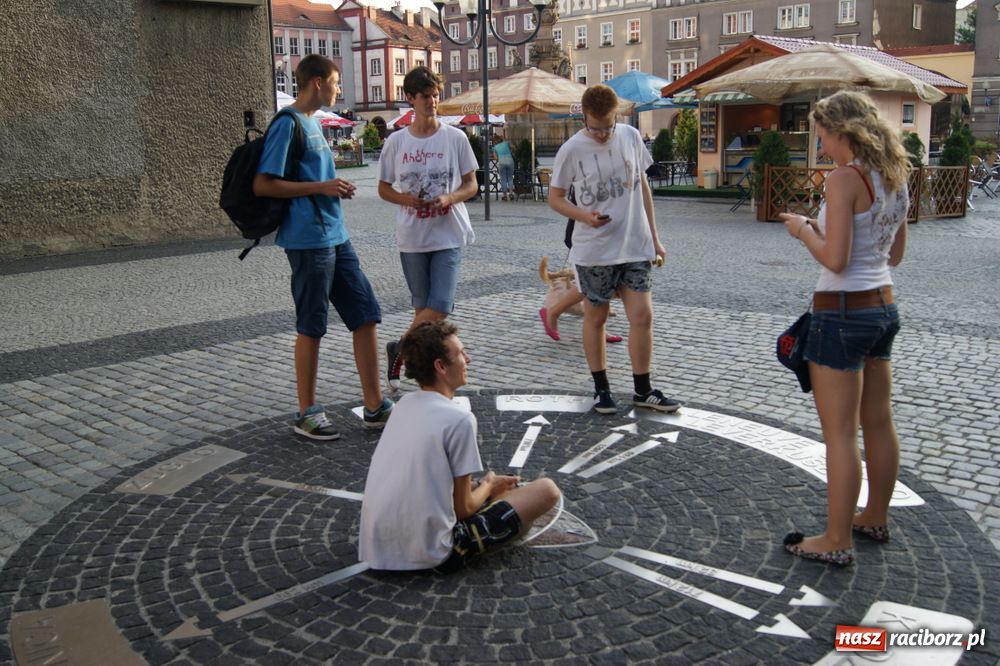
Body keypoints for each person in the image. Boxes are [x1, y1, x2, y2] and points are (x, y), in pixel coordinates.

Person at [778, 90, 910, 566]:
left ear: (842, 132)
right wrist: (828, 228)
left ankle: (836, 539)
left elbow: (835, 259)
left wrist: (804, 231)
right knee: (878, 420)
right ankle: (874, 515)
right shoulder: (894, 174)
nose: (822, 146)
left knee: (839, 433)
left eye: (823, 137)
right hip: (883, 307)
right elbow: (893, 253)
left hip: (841, 312)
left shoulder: (844, 179)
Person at [253, 55, 393, 440]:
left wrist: (333, 187)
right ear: (316, 82)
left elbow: (317, 179)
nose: (338, 89)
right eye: (334, 81)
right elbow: (263, 184)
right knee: (312, 324)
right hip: (307, 239)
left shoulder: (313, 124)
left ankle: (375, 405)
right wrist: (321, 187)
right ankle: (307, 411)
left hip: (335, 234)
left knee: (365, 313)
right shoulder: (288, 124)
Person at [358, 321, 561, 572]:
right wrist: (487, 484)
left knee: (493, 490)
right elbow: (463, 509)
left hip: (377, 547)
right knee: (547, 490)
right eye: (461, 353)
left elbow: (426, 481)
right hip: (433, 552)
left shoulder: (404, 406)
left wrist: (484, 487)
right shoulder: (459, 419)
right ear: (441, 366)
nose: (468, 359)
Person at [547, 84, 681, 415]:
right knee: (597, 316)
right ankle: (601, 389)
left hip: (634, 244)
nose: (603, 134)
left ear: (616, 116)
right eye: (595, 128)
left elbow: (644, 187)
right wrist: (583, 216)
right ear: (584, 119)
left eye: (608, 126)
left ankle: (643, 389)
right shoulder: (572, 149)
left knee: (643, 316)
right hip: (595, 250)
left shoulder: (631, 137)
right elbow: (555, 198)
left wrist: (655, 236)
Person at [377, 66, 480, 391]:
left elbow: (471, 184)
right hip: (412, 236)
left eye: (436, 95)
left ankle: (400, 348)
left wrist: (450, 196)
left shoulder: (455, 137)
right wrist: (406, 198)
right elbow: (383, 188)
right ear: (410, 99)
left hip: (448, 232)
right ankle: (429, 379)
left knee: (440, 305)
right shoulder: (396, 142)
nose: (432, 102)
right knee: (425, 311)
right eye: (425, 96)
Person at [493, 134, 516, 200]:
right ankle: (511, 193)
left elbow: (496, 158)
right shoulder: (506, 143)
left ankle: (505, 195)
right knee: (510, 177)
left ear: (495, 141)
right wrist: (511, 151)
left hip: (501, 162)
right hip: (510, 160)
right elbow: (513, 147)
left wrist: (499, 157)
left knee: (503, 179)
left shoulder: (495, 147)